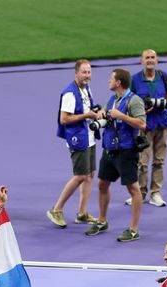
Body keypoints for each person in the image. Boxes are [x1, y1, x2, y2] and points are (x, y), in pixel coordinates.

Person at [85, 68, 147, 242]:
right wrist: (100, 114)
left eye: (111, 79)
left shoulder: (134, 100)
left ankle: (134, 229)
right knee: (102, 184)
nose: (108, 81)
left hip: (126, 151)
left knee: (133, 189)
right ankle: (102, 221)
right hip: (109, 150)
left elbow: (142, 124)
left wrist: (123, 116)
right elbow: (106, 116)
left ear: (119, 82)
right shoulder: (113, 99)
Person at [48, 59, 101, 228]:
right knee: (80, 176)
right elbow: (64, 119)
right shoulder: (70, 94)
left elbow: (88, 109)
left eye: (89, 72)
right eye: (84, 72)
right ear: (76, 73)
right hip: (78, 138)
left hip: (89, 136)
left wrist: (96, 113)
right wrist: (87, 115)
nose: (87, 75)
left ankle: (82, 213)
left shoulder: (86, 89)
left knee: (90, 174)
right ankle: (56, 209)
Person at [126, 49, 167, 208]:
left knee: (159, 160)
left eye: (153, 57)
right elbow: (128, 100)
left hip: (162, 124)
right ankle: (139, 193)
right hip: (144, 126)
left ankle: (155, 192)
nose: (150, 60)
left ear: (157, 60)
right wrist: (141, 110)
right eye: (147, 57)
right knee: (142, 162)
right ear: (142, 61)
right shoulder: (134, 80)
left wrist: (166, 104)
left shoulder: (163, 76)